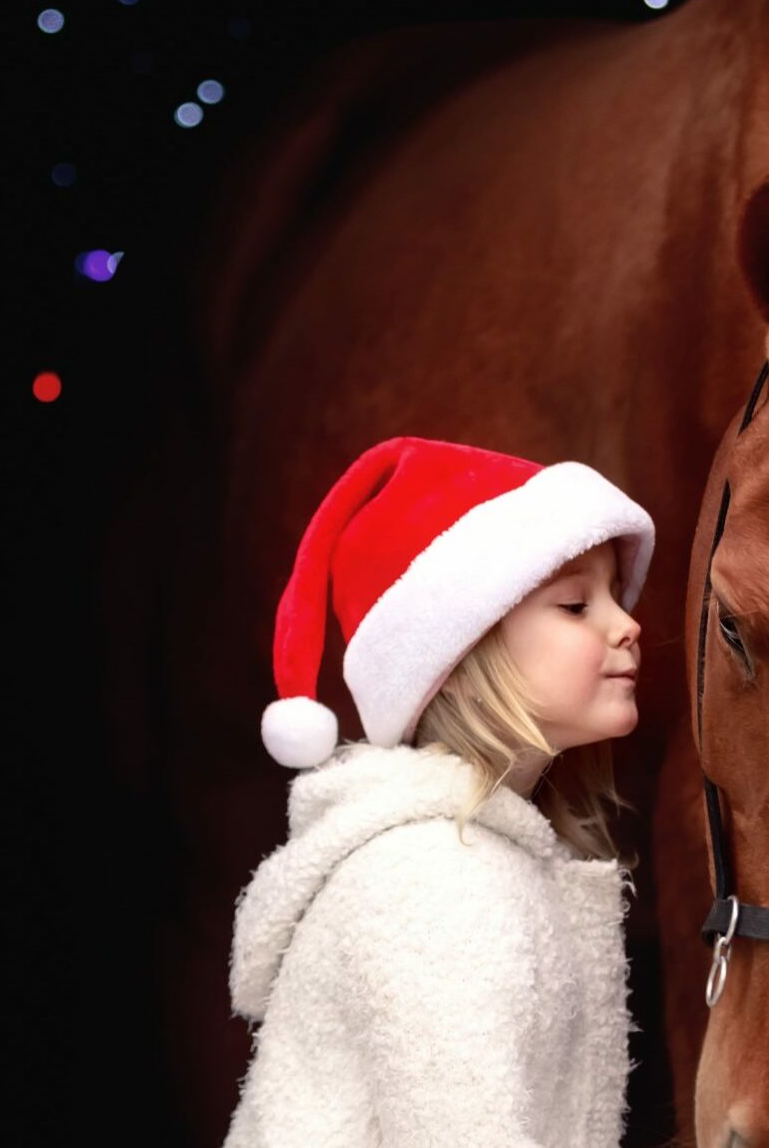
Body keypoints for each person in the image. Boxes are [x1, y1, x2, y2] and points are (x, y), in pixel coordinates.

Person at [224, 435, 655, 1148]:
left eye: (613, 594)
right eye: (577, 604)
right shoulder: (432, 883)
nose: (627, 624)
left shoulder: (479, 859)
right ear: (455, 656)